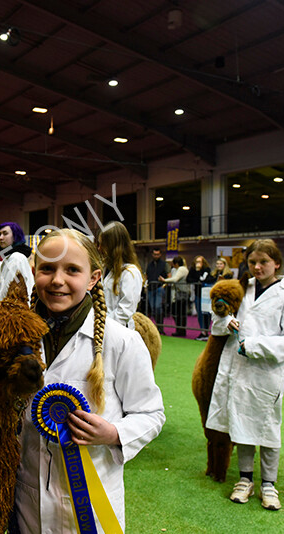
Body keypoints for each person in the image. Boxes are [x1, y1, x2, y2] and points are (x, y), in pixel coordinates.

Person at [13, 229, 164, 533]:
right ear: (34, 273)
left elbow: (151, 414)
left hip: (93, 507)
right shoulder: (16, 341)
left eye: (72, 270)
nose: (57, 280)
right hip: (27, 498)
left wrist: (114, 433)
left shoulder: (122, 342)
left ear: (93, 278)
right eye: (47, 269)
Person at [206, 239, 284, 511]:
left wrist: (255, 346)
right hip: (237, 370)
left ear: (277, 263)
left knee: (268, 427)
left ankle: (269, 485)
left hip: (266, 372)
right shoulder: (241, 288)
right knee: (242, 423)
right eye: (252, 262)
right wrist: (227, 322)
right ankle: (245, 479)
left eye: (263, 262)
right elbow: (217, 319)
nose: (257, 267)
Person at [97, 221, 143, 329]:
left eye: (102, 244)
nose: (99, 248)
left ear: (112, 245)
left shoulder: (130, 272)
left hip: (118, 330)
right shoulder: (105, 268)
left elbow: (125, 310)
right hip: (101, 328)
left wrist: (105, 325)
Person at [0, 221, 34, 300]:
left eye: (5, 234)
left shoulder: (16, 257)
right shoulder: (9, 257)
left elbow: (12, 290)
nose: (1, 238)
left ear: (15, 236)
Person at [160, 255, 190, 337]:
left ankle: (181, 330)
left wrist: (164, 280)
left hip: (182, 294)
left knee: (181, 313)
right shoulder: (174, 269)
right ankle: (179, 329)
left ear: (176, 263)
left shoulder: (182, 269)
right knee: (175, 313)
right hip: (176, 294)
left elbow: (175, 279)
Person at [186, 255, 212, 341]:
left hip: (206, 295)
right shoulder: (193, 270)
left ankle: (206, 330)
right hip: (197, 294)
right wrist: (197, 272)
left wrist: (197, 279)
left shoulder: (207, 270)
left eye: (200, 262)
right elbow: (188, 279)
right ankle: (202, 331)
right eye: (197, 262)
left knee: (207, 313)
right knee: (200, 313)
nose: (198, 264)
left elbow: (203, 279)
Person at [145, 247, 168, 334]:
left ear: (160, 254)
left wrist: (164, 286)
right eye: (155, 254)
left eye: (158, 254)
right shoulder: (149, 265)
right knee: (153, 309)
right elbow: (146, 275)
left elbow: (169, 276)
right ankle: (158, 326)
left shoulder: (164, 264)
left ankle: (161, 327)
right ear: (152, 254)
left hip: (159, 288)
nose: (156, 256)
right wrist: (146, 285)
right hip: (150, 288)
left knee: (158, 307)